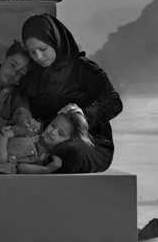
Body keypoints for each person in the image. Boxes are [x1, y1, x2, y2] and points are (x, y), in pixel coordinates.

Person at [19, 13, 122, 173]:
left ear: (56, 41)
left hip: (88, 142)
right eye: (32, 52)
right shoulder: (33, 75)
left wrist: (83, 116)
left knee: (68, 154)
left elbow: (114, 102)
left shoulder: (83, 69)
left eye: (43, 49)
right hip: (47, 137)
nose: (38, 57)